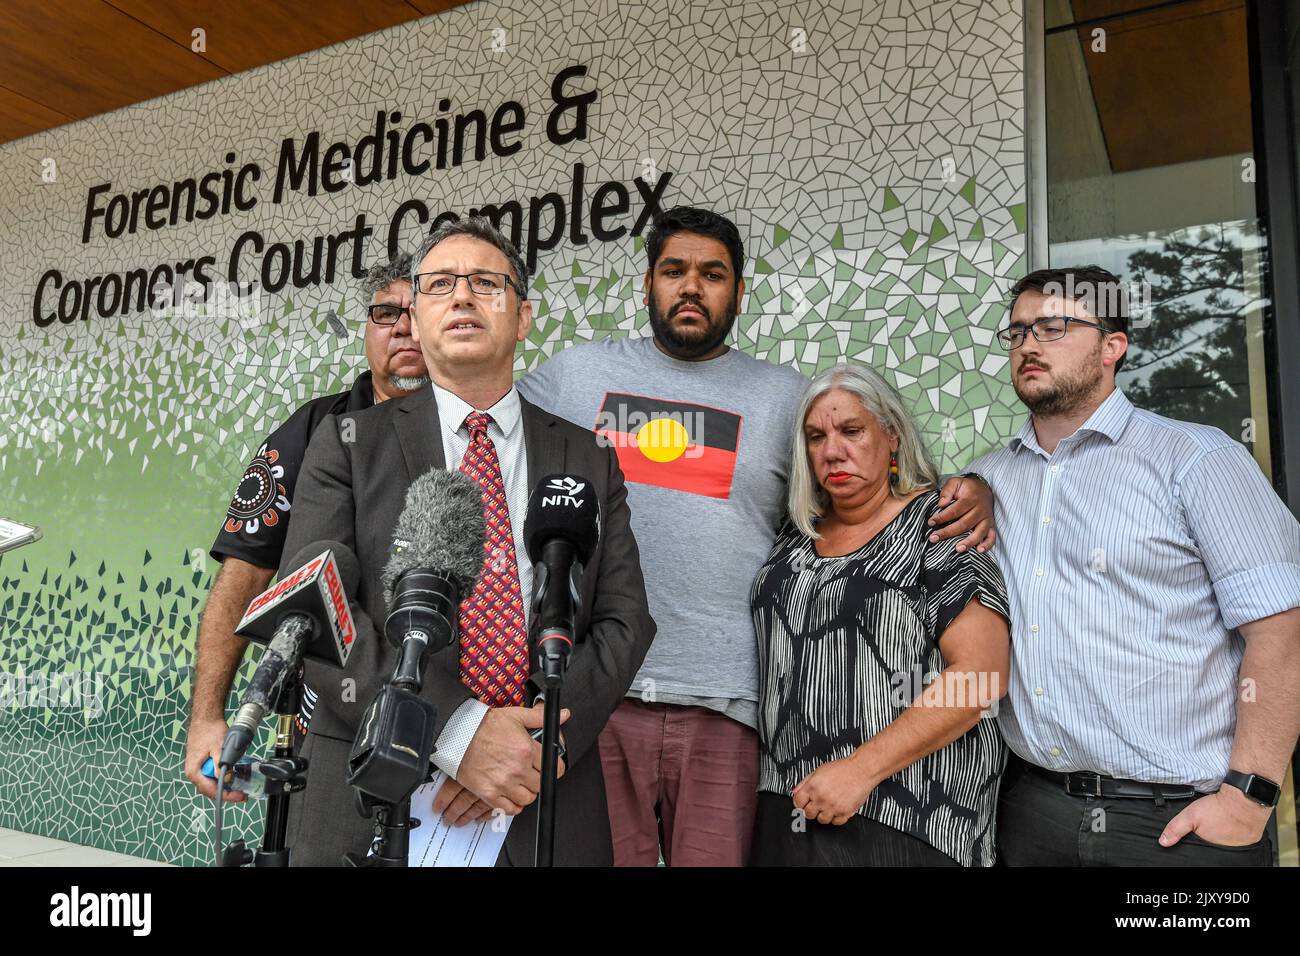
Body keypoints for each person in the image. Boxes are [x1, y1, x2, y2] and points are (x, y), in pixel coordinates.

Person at [519, 205, 998, 866]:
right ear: (648, 285)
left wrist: (977, 485)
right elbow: (481, 436)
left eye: (713, 274)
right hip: (599, 700)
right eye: (674, 271)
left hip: (731, 709)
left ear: (739, 293)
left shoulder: (787, 400)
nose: (692, 287)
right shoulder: (571, 377)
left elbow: (869, 485)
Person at [279, 217, 655, 866]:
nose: (462, 297)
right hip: (373, 787)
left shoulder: (588, 456)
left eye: (486, 283)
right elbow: (312, 610)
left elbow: (625, 620)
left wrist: (536, 749)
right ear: (418, 318)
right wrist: (456, 733)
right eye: (440, 285)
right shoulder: (346, 444)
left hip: (544, 803)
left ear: (524, 316)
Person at [971, 265, 1300, 866]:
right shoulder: (992, 479)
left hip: (1179, 824)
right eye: (1016, 333)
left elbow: (1280, 632)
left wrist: (1250, 797)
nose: (1028, 345)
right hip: (1034, 812)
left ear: (1112, 347)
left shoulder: (1197, 460)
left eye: (1052, 328)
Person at [184, 252, 428, 803]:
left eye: (417, 312)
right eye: (386, 314)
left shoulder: (473, 432)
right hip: (324, 715)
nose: (404, 329)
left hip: (445, 708)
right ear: (367, 329)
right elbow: (243, 576)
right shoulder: (312, 428)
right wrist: (207, 717)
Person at [749, 363, 1011, 867]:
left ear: (891, 437)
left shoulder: (940, 524)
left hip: (911, 819)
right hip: (786, 808)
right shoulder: (792, 534)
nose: (832, 450)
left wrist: (860, 771)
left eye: (852, 430)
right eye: (816, 436)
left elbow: (981, 676)